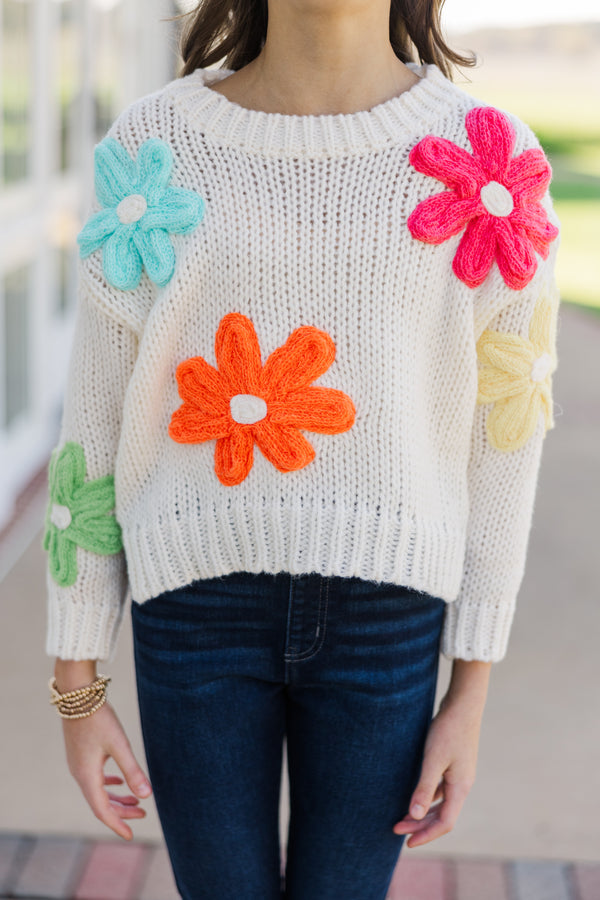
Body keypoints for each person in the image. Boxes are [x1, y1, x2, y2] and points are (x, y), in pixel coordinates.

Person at [43, 1, 561, 898]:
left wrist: (471, 689)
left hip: (390, 628)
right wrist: (76, 681)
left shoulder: (486, 161)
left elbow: (506, 437)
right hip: (191, 618)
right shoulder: (156, 147)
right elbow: (93, 423)